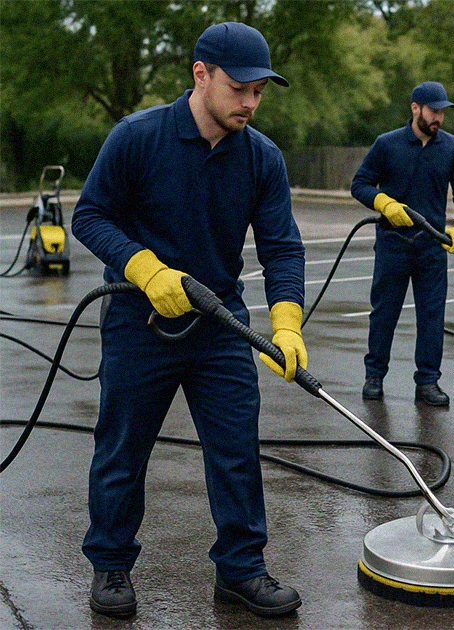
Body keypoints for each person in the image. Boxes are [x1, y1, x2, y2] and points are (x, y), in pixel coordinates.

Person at [71, 22, 306, 618]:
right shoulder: (137, 137)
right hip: (138, 323)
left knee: (235, 449)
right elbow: (91, 216)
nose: (250, 103)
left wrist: (286, 323)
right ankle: (112, 564)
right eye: (239, 88)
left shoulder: (262, 157)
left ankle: (241, 569)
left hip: (219, 322)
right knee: (123, 447)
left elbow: (281, 246)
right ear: (200, 76)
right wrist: (146, 270)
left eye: (260, 91)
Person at [350, 81, 454, 406]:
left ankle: (428, 383)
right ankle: (374, 376)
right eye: (434, 111)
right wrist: (384, 203)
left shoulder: (453, 148)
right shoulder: (387, 144)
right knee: (384, 312)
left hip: (433, 246)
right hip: (393, 243)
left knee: (432, 315)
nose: (438, 119)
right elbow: (360, 183)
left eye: (442, 113)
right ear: (415, 108)